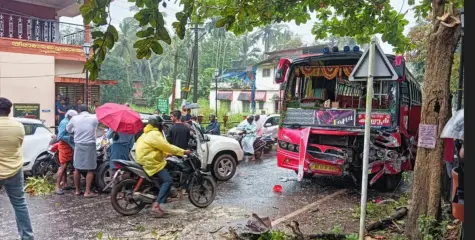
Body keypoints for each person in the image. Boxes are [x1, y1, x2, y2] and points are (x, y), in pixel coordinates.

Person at [135, 116, 191, 217]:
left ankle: (161, 194)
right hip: (151, 161)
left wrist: (165, 154)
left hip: (145, 158)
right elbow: (167, 146)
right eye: (161, 124)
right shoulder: (155, 134)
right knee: (168, 181)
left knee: (167, 169)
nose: (162, 125)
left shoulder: (147, 133)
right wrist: (183, 151)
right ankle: (156, 206)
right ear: (158, 124)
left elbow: (155, 148)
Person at [0, 97, 34, 240]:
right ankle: (27, 236)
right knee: (19, 203)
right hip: (14, 169)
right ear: (9, 110)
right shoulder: (18, 126)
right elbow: (18, 145)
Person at [66, 104, 99, 197]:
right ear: (88, 109)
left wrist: (76, 130)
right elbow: (99, 124)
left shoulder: (74, 119)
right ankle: (87, 192)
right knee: (90, 169)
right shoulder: (94, 118)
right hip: (90, 145)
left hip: (78, 145)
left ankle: (77, 190)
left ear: (78, 110)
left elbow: (68, 129)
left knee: (77, 168)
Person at [55, 110, 78, 195]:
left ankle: (65, 184)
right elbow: (60, 136)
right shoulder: (65, 123)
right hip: (64, 146)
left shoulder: (68, 122)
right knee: (63, 166)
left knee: (66, 166)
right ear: (69, 116)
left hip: (68, 146)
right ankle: (57, 186)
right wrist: (71, 137)